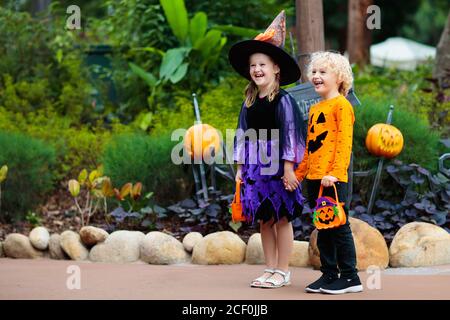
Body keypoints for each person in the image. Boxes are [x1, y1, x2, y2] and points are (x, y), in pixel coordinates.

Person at [229, 10, 306, 289]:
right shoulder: (249, 100)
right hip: (255, 166)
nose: (257, 69)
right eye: (253, 66)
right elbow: (241, 134)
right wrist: (239, 169)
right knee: (264, 219)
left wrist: (288, 168)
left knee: (282, 218)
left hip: (277, 166)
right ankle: (270, 267)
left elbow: (290, 133)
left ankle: (284, 270)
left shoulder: (283, 101)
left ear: (276, 69)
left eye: (263, 64)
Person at [292, 51, 363, 294]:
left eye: (323, 72)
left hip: (332, 180)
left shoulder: (341, 106)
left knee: (339, 227)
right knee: (323, 228)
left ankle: (351, 277)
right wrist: (299, 174)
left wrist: (334, 172)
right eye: (313, 72)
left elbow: (344, 143)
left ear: (339, 77)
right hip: (314, 179)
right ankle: (329, 274)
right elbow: (311, 146)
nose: (316, 76)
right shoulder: (315, 109)